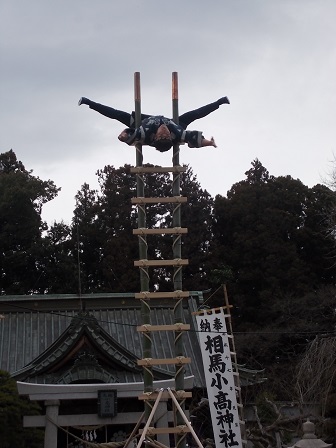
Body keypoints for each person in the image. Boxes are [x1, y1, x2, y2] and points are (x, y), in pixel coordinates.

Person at [78, 96, 230, 152]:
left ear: (156, 137)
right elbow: (194, 140)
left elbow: (127, 136)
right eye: (166, 133)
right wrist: (210, 143)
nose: (163, 130)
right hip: (175, 123)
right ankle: (220, 102)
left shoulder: (144, 134)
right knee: (195, 114)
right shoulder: (177, 133)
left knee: (117, 114)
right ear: (170, 135)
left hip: (142, 122)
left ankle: (88, 102)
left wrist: (123, 135)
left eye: (161, 134)